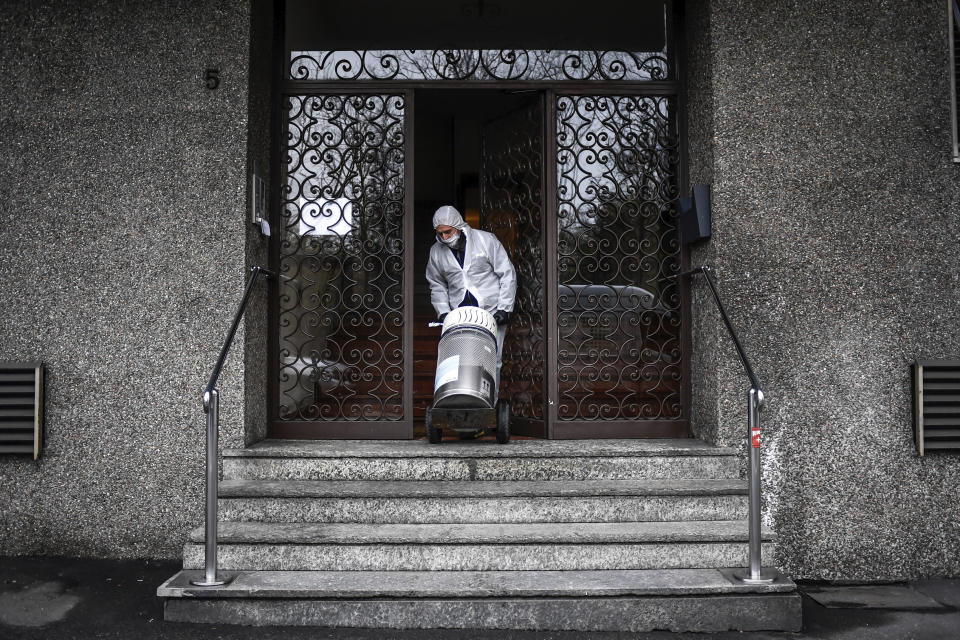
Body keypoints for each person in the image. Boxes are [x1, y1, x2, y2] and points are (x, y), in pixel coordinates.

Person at [426, 205, 516, 393]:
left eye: (447, 232)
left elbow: (507, 273)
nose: (444, 237)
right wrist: (443, 312)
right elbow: (436, 284)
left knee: (491, 360)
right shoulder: (436, 252)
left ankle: (489, 405)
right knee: (457, 359)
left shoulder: (486, 240)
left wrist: (504, 308)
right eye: (440, 233)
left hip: (492, 311)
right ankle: (458, 399)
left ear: (458, 225)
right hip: (458, 315)